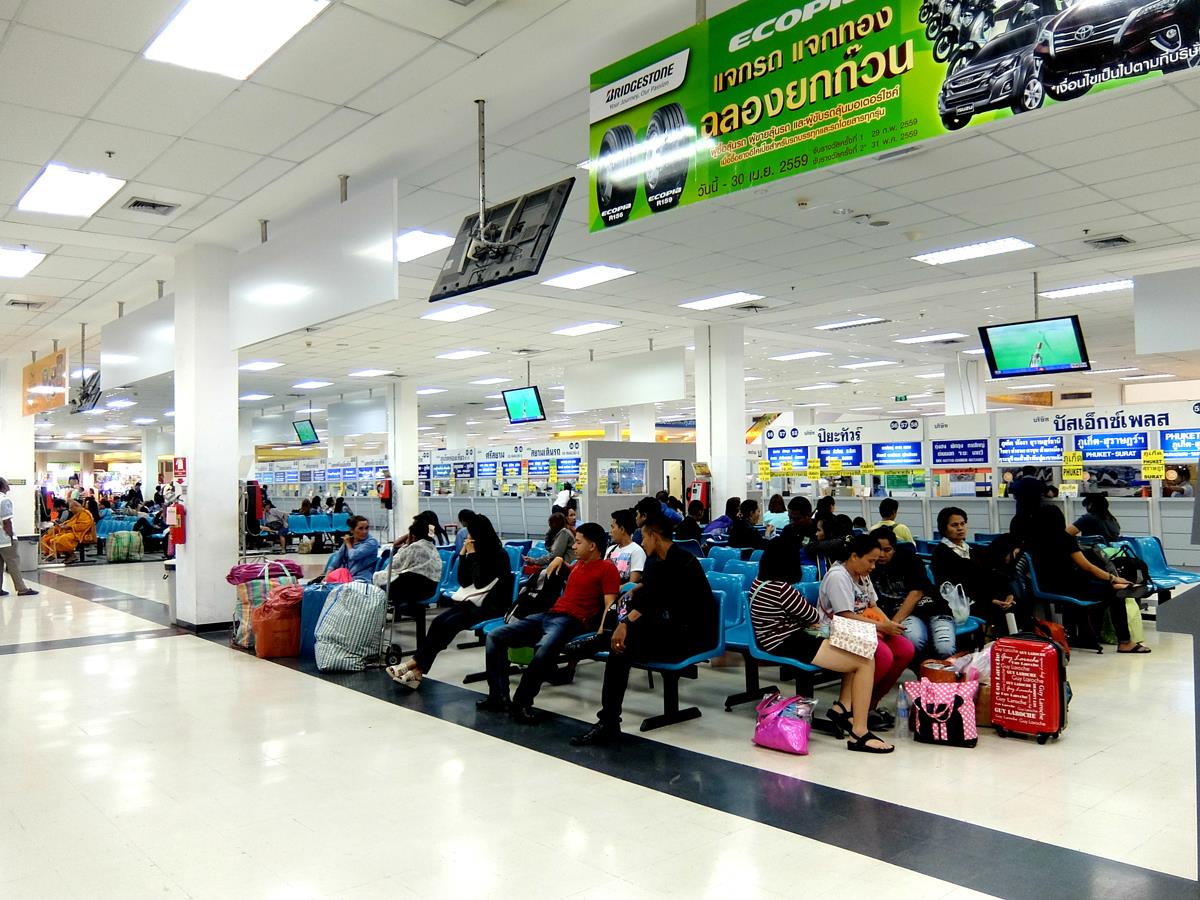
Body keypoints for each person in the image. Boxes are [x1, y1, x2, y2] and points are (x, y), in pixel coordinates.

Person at [572, 516, 719, 746]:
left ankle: (609, 722)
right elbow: (652, 589)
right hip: (671, 628)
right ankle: (600, 642)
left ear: (654, 536)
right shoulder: (662, 560)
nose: (642, 543)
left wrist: (625, 625)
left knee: (620, 650)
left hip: (691, 637)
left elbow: (655, 602)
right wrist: (635, 590)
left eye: (644, 538)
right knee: (619, 643)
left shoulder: (681, 561)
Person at [749, 540, 888, 753]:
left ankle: (843, 707)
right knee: (864, 660)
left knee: (856, 648)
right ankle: (859, 732)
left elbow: (809, 618)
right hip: (789, 641)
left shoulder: (758, 582)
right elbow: (812, 616)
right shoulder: (781, 589)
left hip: (779, 638)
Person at [479, 522, 620, 723]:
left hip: (572, 621)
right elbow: (571, 575)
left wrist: (602, 628)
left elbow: (611, 603)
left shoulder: (607, 568)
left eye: (578, 542)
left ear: (593, 546)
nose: (573, 546)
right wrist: (560, 560)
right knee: (495, 636)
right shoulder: (580, 564)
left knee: (544, 648)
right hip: (551, 615)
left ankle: (521, 702)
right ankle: (498, 697)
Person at [386, 514, 513, 688]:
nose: (468, 538)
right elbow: (463, 581)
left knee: (451, 623)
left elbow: (481, 582)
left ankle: (414, 665)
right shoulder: (476, 551)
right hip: (475, 601)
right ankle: (417, 672)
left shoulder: (499, 555)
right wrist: (463, 555)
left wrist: (473, 555)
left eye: (470, 534)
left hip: (494, 605)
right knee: (439, 621)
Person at [818, 532, 914, 735]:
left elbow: (872, 605)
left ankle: (869, 704)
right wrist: (881, 627)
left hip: (866, 626)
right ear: (854, 556)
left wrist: (889, 625)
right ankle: (849, 707)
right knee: (883, 655)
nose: (873, 566)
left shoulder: (862, 574)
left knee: (905, 649)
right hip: (838, 628)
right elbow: (845, 615)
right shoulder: (838, 577)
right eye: (870, 561)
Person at [1026, 505, 1149, 654]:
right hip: (1069, 587)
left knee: (1098, 585)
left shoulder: (1031, 540)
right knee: (1115, 595)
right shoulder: (1065, 539)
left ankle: (1114, 587)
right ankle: (1125, 642)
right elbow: (1087, 566)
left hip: (1044, 586)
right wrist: (1113, 578)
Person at [870, 527, 955, 660]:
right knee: (915, 642)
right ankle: (925, 673)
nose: (882, 555)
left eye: (887, 550)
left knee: (945, 649)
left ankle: (943, 675)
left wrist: (893, 623)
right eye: (878, 550)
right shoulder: (869, 566)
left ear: (894, 549)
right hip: (907, 614)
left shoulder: (909, 559)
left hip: (935, 609)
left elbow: (916, 593)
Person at [931, 507, 1014, 624]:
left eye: (962, 524)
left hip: (984, 598)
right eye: (954, 525)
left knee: (1017, 604)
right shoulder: (940, 554)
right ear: (944, 528)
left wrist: (1007, 593)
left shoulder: (971, 550)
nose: (960, 528)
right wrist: (989, 600)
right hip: (963, 604)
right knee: (1006, 613)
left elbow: (990, 574)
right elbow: (955, 587)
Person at [376, 516, 443, 607]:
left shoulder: (415, 547)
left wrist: (407, 544)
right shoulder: (430, 546)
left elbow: (395, 564)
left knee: (381, 578)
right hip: (431, 588)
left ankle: (386, 609)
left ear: (413, 535)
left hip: (416, 588)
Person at [0, 478, 37, 596]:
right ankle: (22, 588)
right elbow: (7, 521)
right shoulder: (3, 500)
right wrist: (10, 536)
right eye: (7, 483)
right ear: (3, 486)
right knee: (13, 563)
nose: (8, 486)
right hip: (4, 539)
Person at [324, 515, 379, 582]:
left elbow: (354, 555)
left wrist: (348, 544)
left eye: (366, 528)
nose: (365, 531)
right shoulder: (349, 541)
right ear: (352, 530)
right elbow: (337, 559)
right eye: (361, 528)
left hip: (361, 578)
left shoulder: (371, 543)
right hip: (347, 576)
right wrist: (327, 576)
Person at [605, 509, 646, 584]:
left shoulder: (637, 551)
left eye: (613, 527)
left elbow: (632, 584)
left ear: (622, 529)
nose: (611, 531)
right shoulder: (610, 550)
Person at [1008, 466, 1048, 532]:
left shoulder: (1017, 484)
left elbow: (1012, 493)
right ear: (1034, 473)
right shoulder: (1039, 483)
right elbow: (1049, 493)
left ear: (1023, 473)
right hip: (1036, 515)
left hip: (1021, 515)